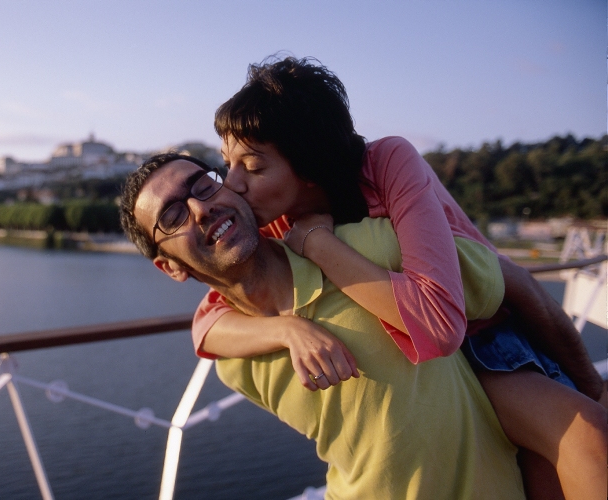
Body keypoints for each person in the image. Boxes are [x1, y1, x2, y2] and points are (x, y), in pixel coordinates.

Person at [193, 56, 606, 498]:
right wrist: (287, 328)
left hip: (489, 342)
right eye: (226, 163)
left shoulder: (385, 164)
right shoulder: (271, 216)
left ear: (309, 166)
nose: (232, 183)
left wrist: (319, 244)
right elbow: (207, 323)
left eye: (253, 167)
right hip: (424, 380)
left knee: (589, 440)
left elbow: (457, 314)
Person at [120, 153, 528, 499]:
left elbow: (511, 285)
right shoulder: (236, 363)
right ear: (169, 267)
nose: (200, 208)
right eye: (172, 215)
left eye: (204, 185)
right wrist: (286, 329)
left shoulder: (369, 248)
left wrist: (577, 381)